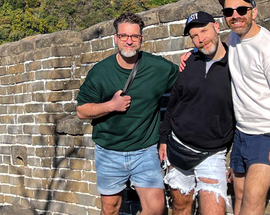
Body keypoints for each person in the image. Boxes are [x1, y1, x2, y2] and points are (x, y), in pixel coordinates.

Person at [77, 12, 179, 215]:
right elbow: (81, 111)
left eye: (134, 36)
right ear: (115, 38)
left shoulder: (159, 68)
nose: (129, 41)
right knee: (110, 208)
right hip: (109, 150)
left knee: (156, 208)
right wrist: (111, 106)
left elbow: (186, 82)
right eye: (123, 36)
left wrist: (191, 58)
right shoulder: (100, 72)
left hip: (145, 150)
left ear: (142, 39)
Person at [219, 0, 270, 215]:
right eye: (228, 12)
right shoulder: (233, 38)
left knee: (253, 197)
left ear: (254, 12)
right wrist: (192, 54)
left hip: (267, 133)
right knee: (239, 194)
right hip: (242, 132)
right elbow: (216, 51)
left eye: (241, 10)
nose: (235, 16)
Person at [159, 11, 234, 215]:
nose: (201, 39)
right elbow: (174, 101)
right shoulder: (190, 62)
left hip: (212, 153)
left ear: (216, 27)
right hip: (178, 147)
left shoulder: (236, 63)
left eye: (204, 31)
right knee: (181, 207)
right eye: (194, 36)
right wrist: (163, 139)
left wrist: (236, 155)